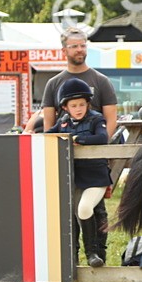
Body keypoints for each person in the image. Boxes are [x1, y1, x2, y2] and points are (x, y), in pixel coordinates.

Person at [29, 27, 120, 263]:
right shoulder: (53, 84)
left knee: (96, 208)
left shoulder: (101, 81)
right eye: (74, 46)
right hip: (66, 161)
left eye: (83, 45)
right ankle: (69, 259)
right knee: (67, 209)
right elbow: (50, 124)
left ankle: (98, 254)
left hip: (94, 159)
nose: (79, 50)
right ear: (64, 49)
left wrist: (98, 149)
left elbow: (110, 120)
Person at [46, 78, 113, 267]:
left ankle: (92, 253)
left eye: (82, 104)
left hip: (96, 176)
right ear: (65, 107)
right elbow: (49, 134)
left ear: (88, 104)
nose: (78, 108)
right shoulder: (64, 121)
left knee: (85, 209)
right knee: (72, 215)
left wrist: (77, 139)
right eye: (74, 105)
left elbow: (101, 137)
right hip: (73, 177)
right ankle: (72, 258)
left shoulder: (96, 119)